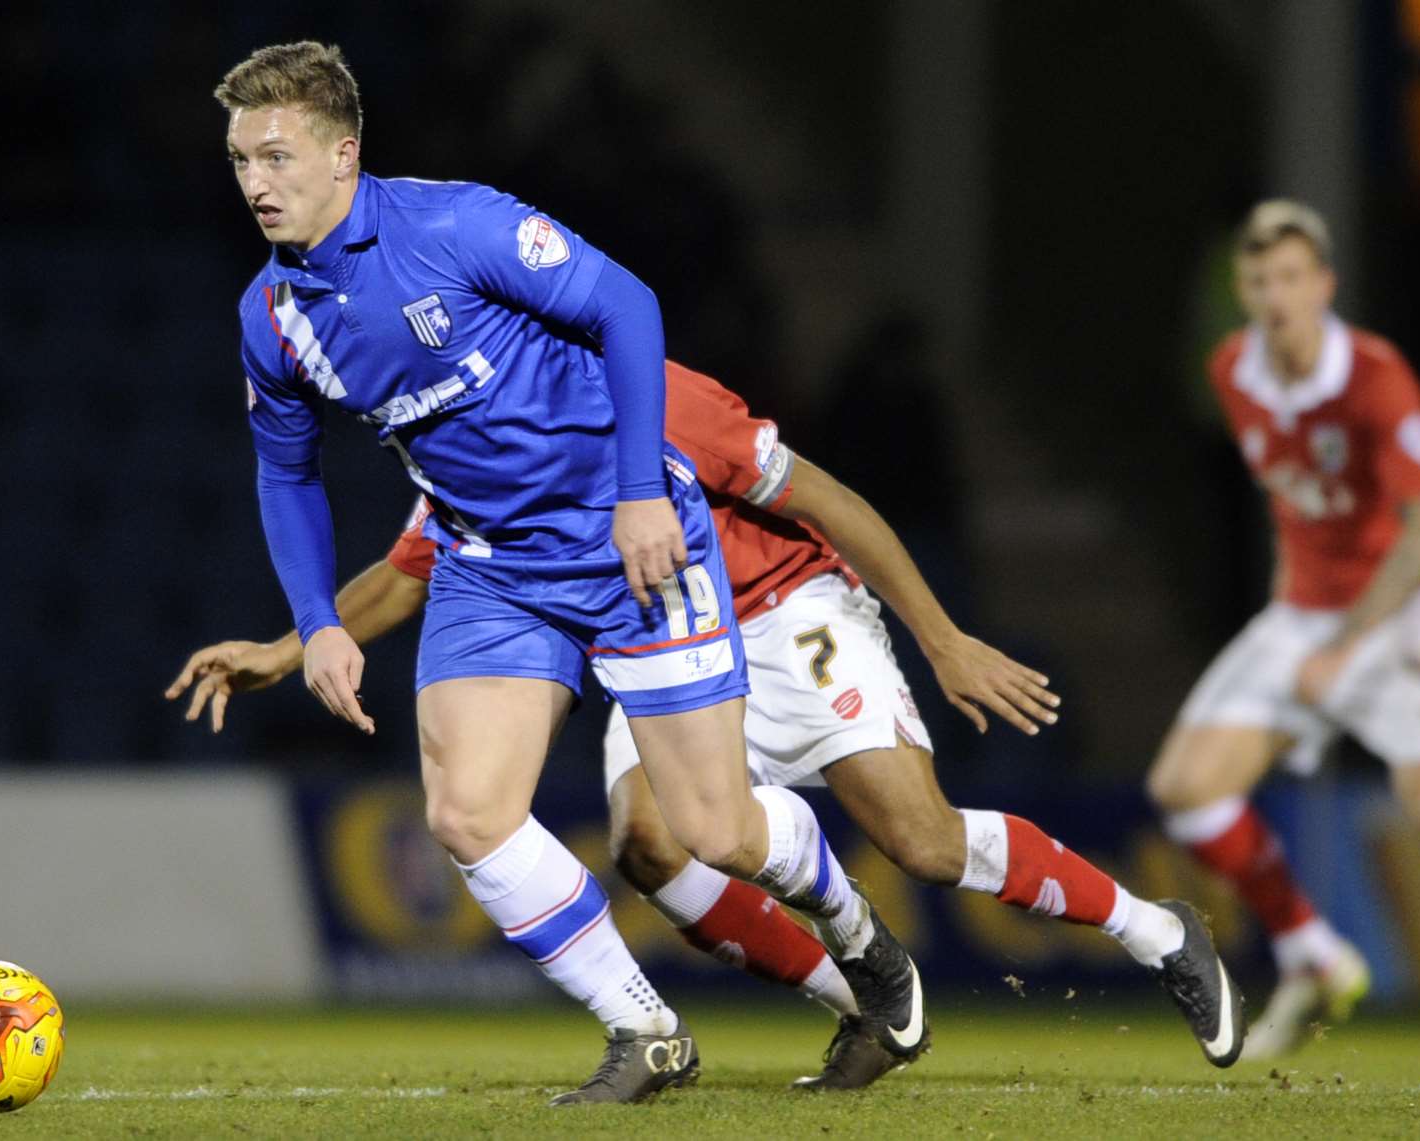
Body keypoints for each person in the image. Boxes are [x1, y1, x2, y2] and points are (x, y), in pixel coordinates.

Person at [171, 362, 1249, 1083]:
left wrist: (943, 636)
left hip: (785, 610)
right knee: (649, 843)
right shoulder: (471, 436)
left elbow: (827, 501)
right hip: (660, 638)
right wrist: (285, 643)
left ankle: (1157, 930)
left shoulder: (663, 399)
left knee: (921, 841)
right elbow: (412, 570)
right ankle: (862, 984)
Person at [203, 40, 927, 1105]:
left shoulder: (455, 224)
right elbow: (286, 475)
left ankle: (860, 935)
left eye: (276, 156)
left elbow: (626, 306)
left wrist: (642, 491)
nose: (256, 183)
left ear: (344, 152)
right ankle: (647, 1029)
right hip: (490, 568)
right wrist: (315, 620)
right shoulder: (271, 318)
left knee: (718, 829)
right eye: (239, 161)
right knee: (466, 812)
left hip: (621, 536)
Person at [1146, 200, 1420, 1059]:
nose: (1276, 295)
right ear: (1242, 288)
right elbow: (1289, 500)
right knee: (1186, 785)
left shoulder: (1374, 376)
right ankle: (1312, 953)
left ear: (1324, 285)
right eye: (1260, 279)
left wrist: (1342, 647)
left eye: (1291, 278)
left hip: (1405, 609)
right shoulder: (1232, 368)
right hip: (1305, 614)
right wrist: (1293, 616)